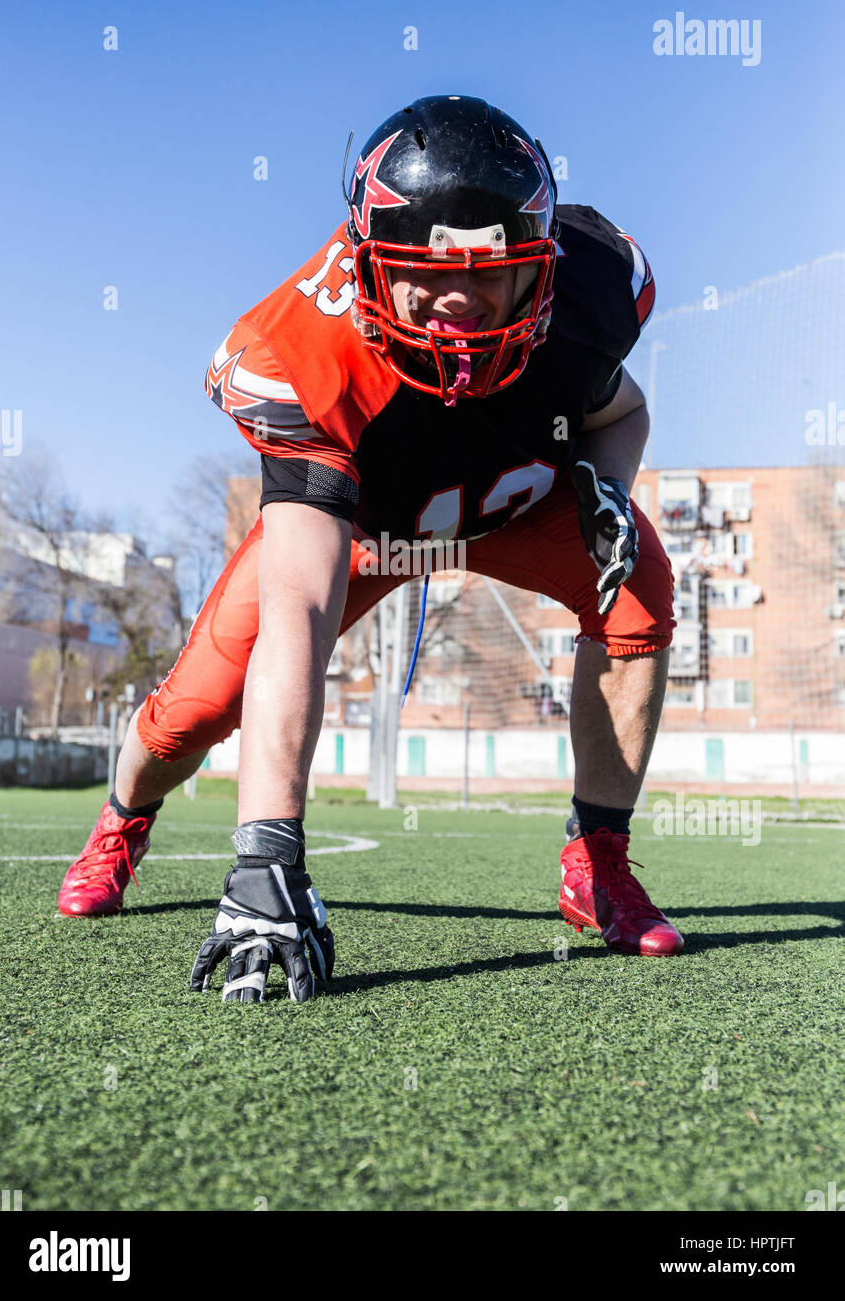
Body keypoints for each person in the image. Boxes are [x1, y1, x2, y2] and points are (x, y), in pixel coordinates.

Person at [58, 95, 682, 1001]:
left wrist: (608, 487)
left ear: (543, 266)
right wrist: (266, 852)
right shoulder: (303, 353)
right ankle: (122, 822)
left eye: (494, 273)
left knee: (638, 586)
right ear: (365, 264)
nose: (459, 304)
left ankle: (598, 862)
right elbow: (301, 616)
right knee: (190, 713)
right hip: (365, 531)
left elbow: (621, 411)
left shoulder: (592, 288)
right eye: (425, 276)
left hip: (515, 505)